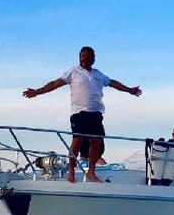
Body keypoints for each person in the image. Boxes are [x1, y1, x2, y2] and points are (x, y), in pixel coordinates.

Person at [23, 46, 141, 183]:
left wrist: (129, 90)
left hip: (96, 113)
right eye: (82, 56)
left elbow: (112, 83)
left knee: (96, 143)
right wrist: (38, 91)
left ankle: (91, 172)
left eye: (87, 56)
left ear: (93, 59)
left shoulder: (98, 74)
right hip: (79, 113)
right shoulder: (73, 72)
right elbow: (55, 83)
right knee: (77, 142)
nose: (84, 58)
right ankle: (71, 172)